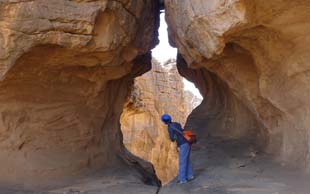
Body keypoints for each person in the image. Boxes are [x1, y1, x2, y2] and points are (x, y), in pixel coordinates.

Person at [161, 114, 194, 184]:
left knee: (182, 161)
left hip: (182, 144)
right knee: (186, 160)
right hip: (187, 142)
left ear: (164, 122)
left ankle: (182, 179)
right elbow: (181, 130)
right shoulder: (176, 124)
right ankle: (190, 176)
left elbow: (172, 138)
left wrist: (175, 137)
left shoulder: (170, 128)